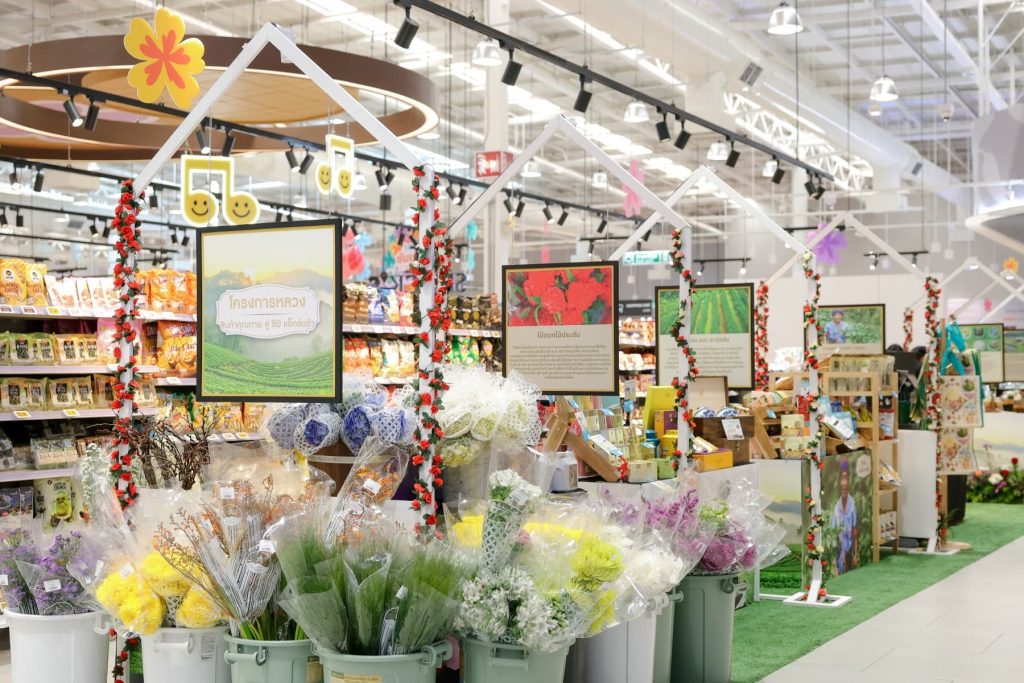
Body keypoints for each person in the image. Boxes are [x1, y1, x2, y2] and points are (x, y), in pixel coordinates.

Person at [831, 457, 858, 574]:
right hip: (839, 554)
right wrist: (834, 564)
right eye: (842, 478)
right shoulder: (836, 509)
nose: (844, 483)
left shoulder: (852, 506)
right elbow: (833, 536)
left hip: (850, 552)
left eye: (846, 478)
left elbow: (855, 532)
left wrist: (855, 555)